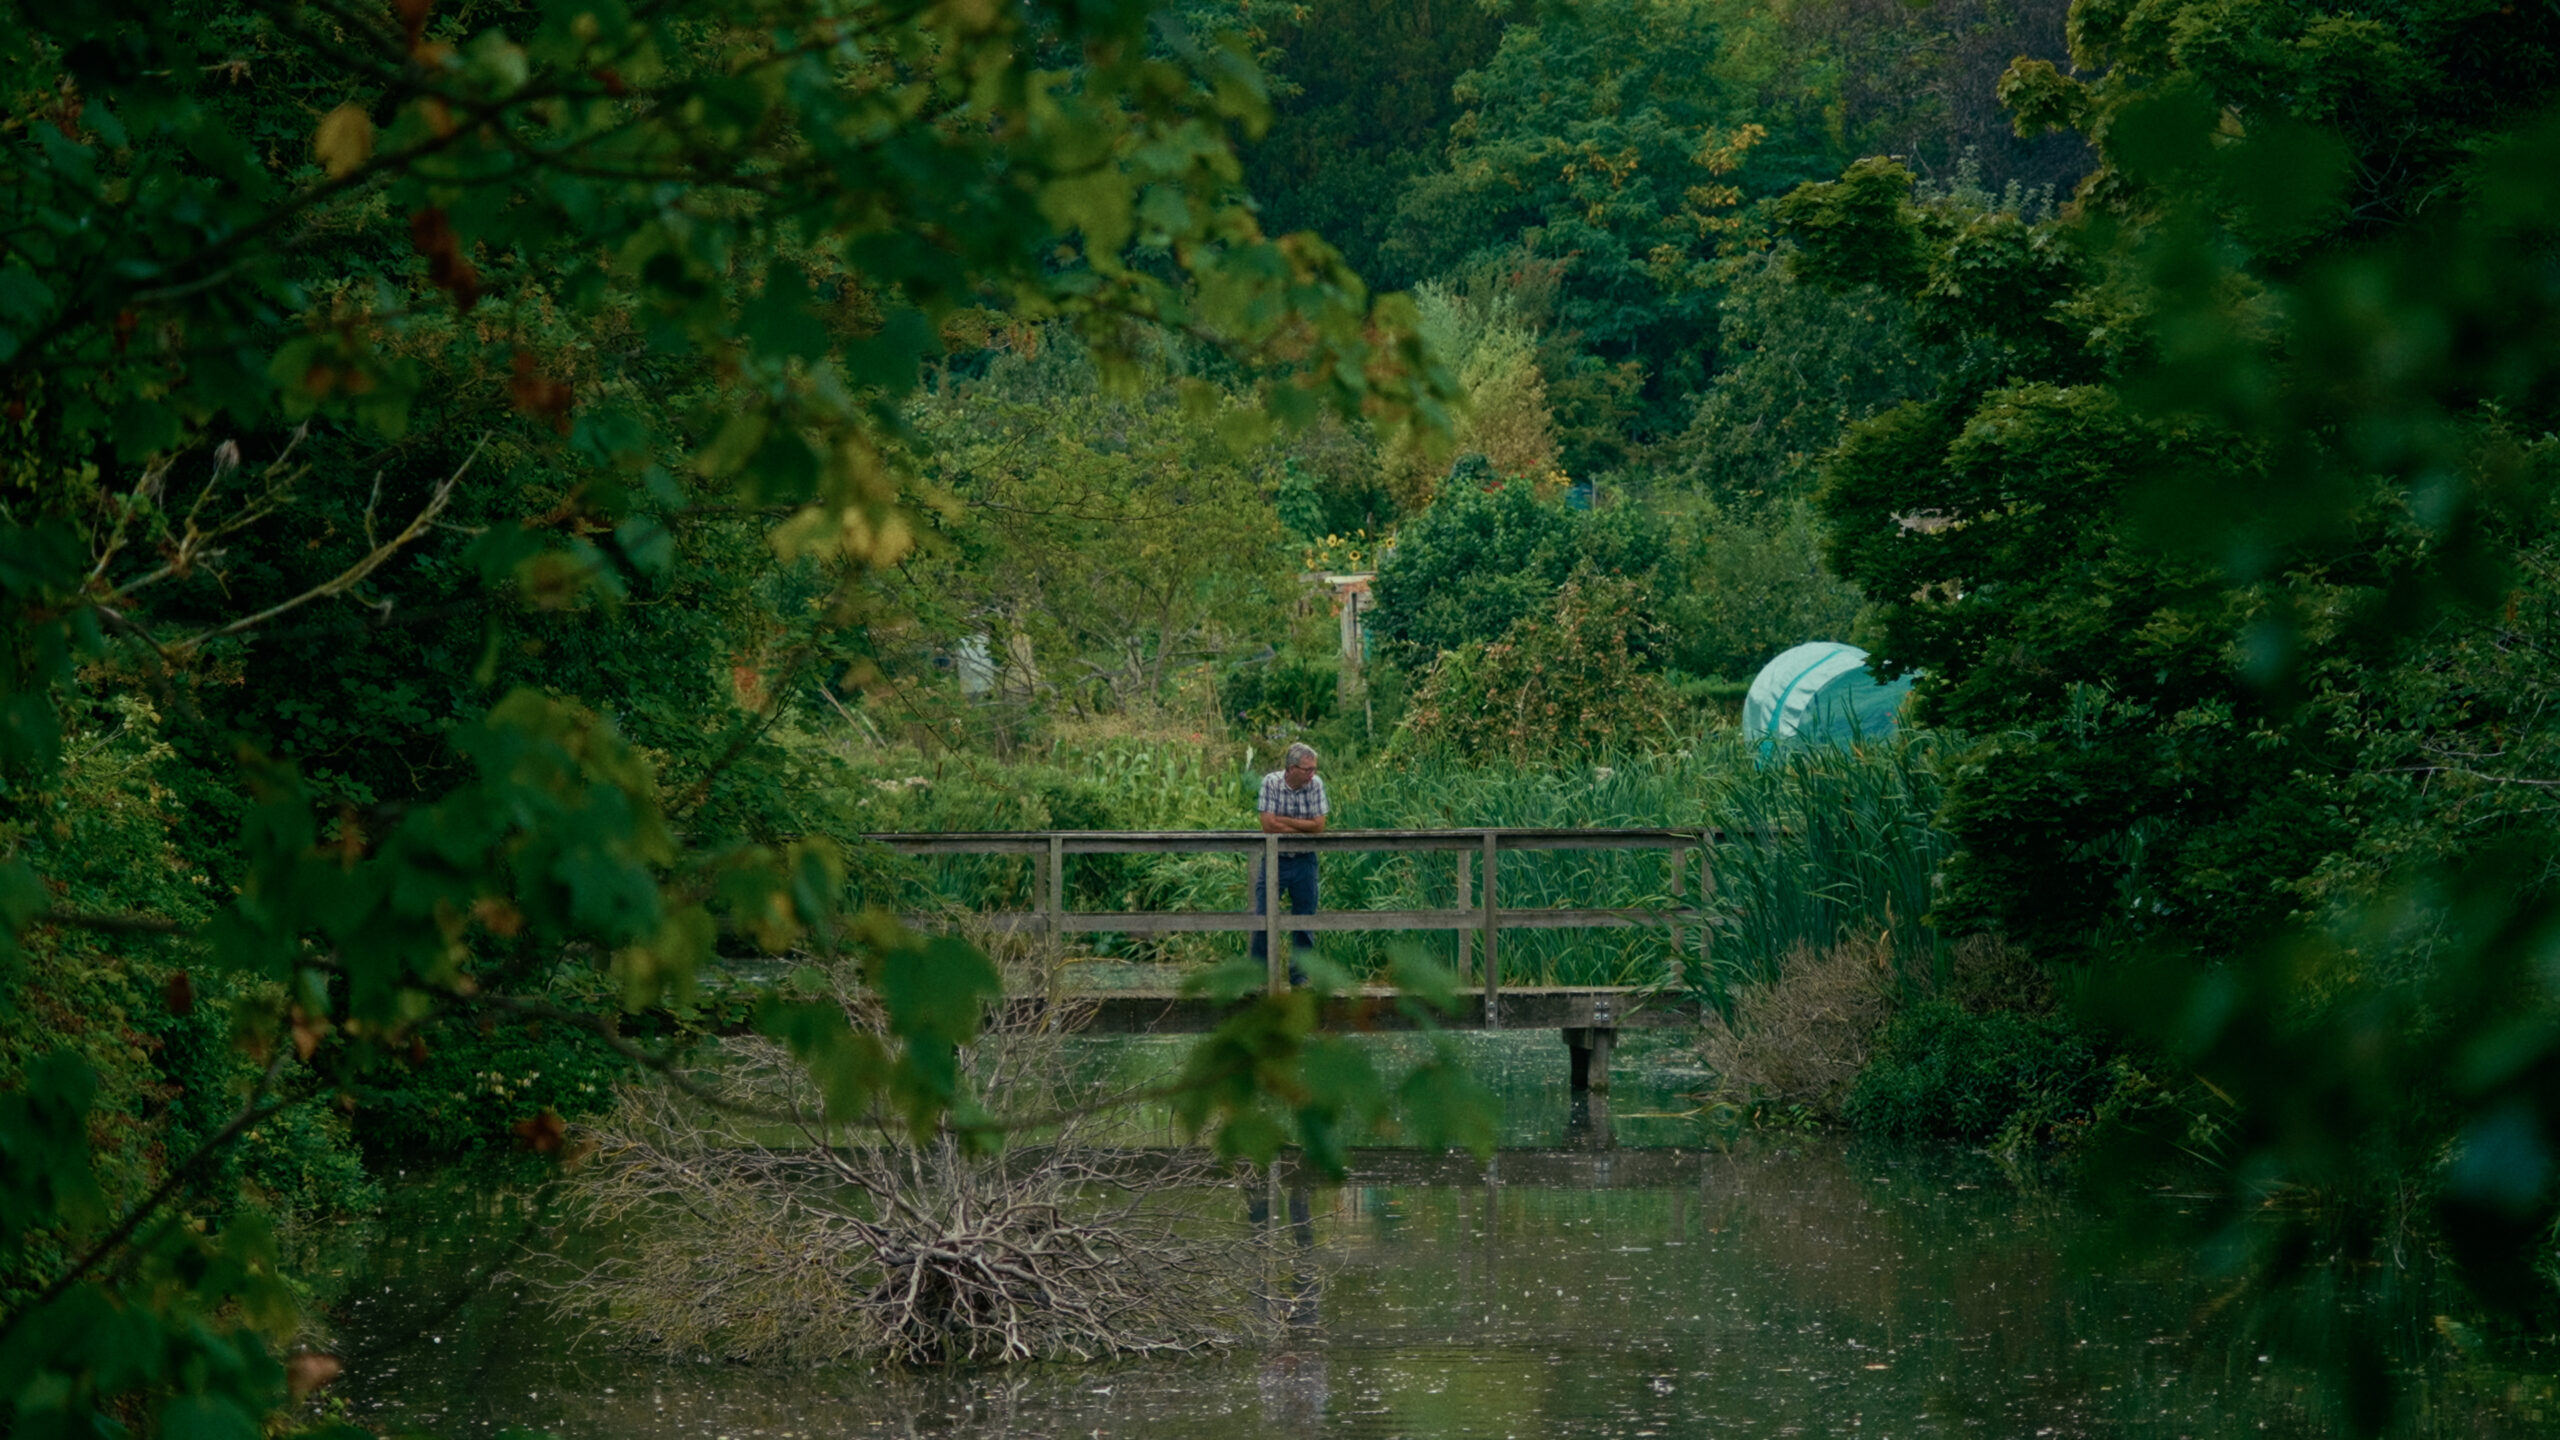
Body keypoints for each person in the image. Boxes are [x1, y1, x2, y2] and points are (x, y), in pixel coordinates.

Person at [1254, 742, 1327, 984]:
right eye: (1307, 769)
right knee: (1263, 917)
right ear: (1291, 768)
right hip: (1276, 859)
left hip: (1305, 860)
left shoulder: (1316, 785)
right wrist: (1302, 826)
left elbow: (1319, 825)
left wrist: (1284, 821)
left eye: (1314, 769)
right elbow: (1268, 825)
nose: (1312, 774)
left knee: (1305, 920)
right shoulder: (1271, 782)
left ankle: (1300, 978)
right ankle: (1259, 978)